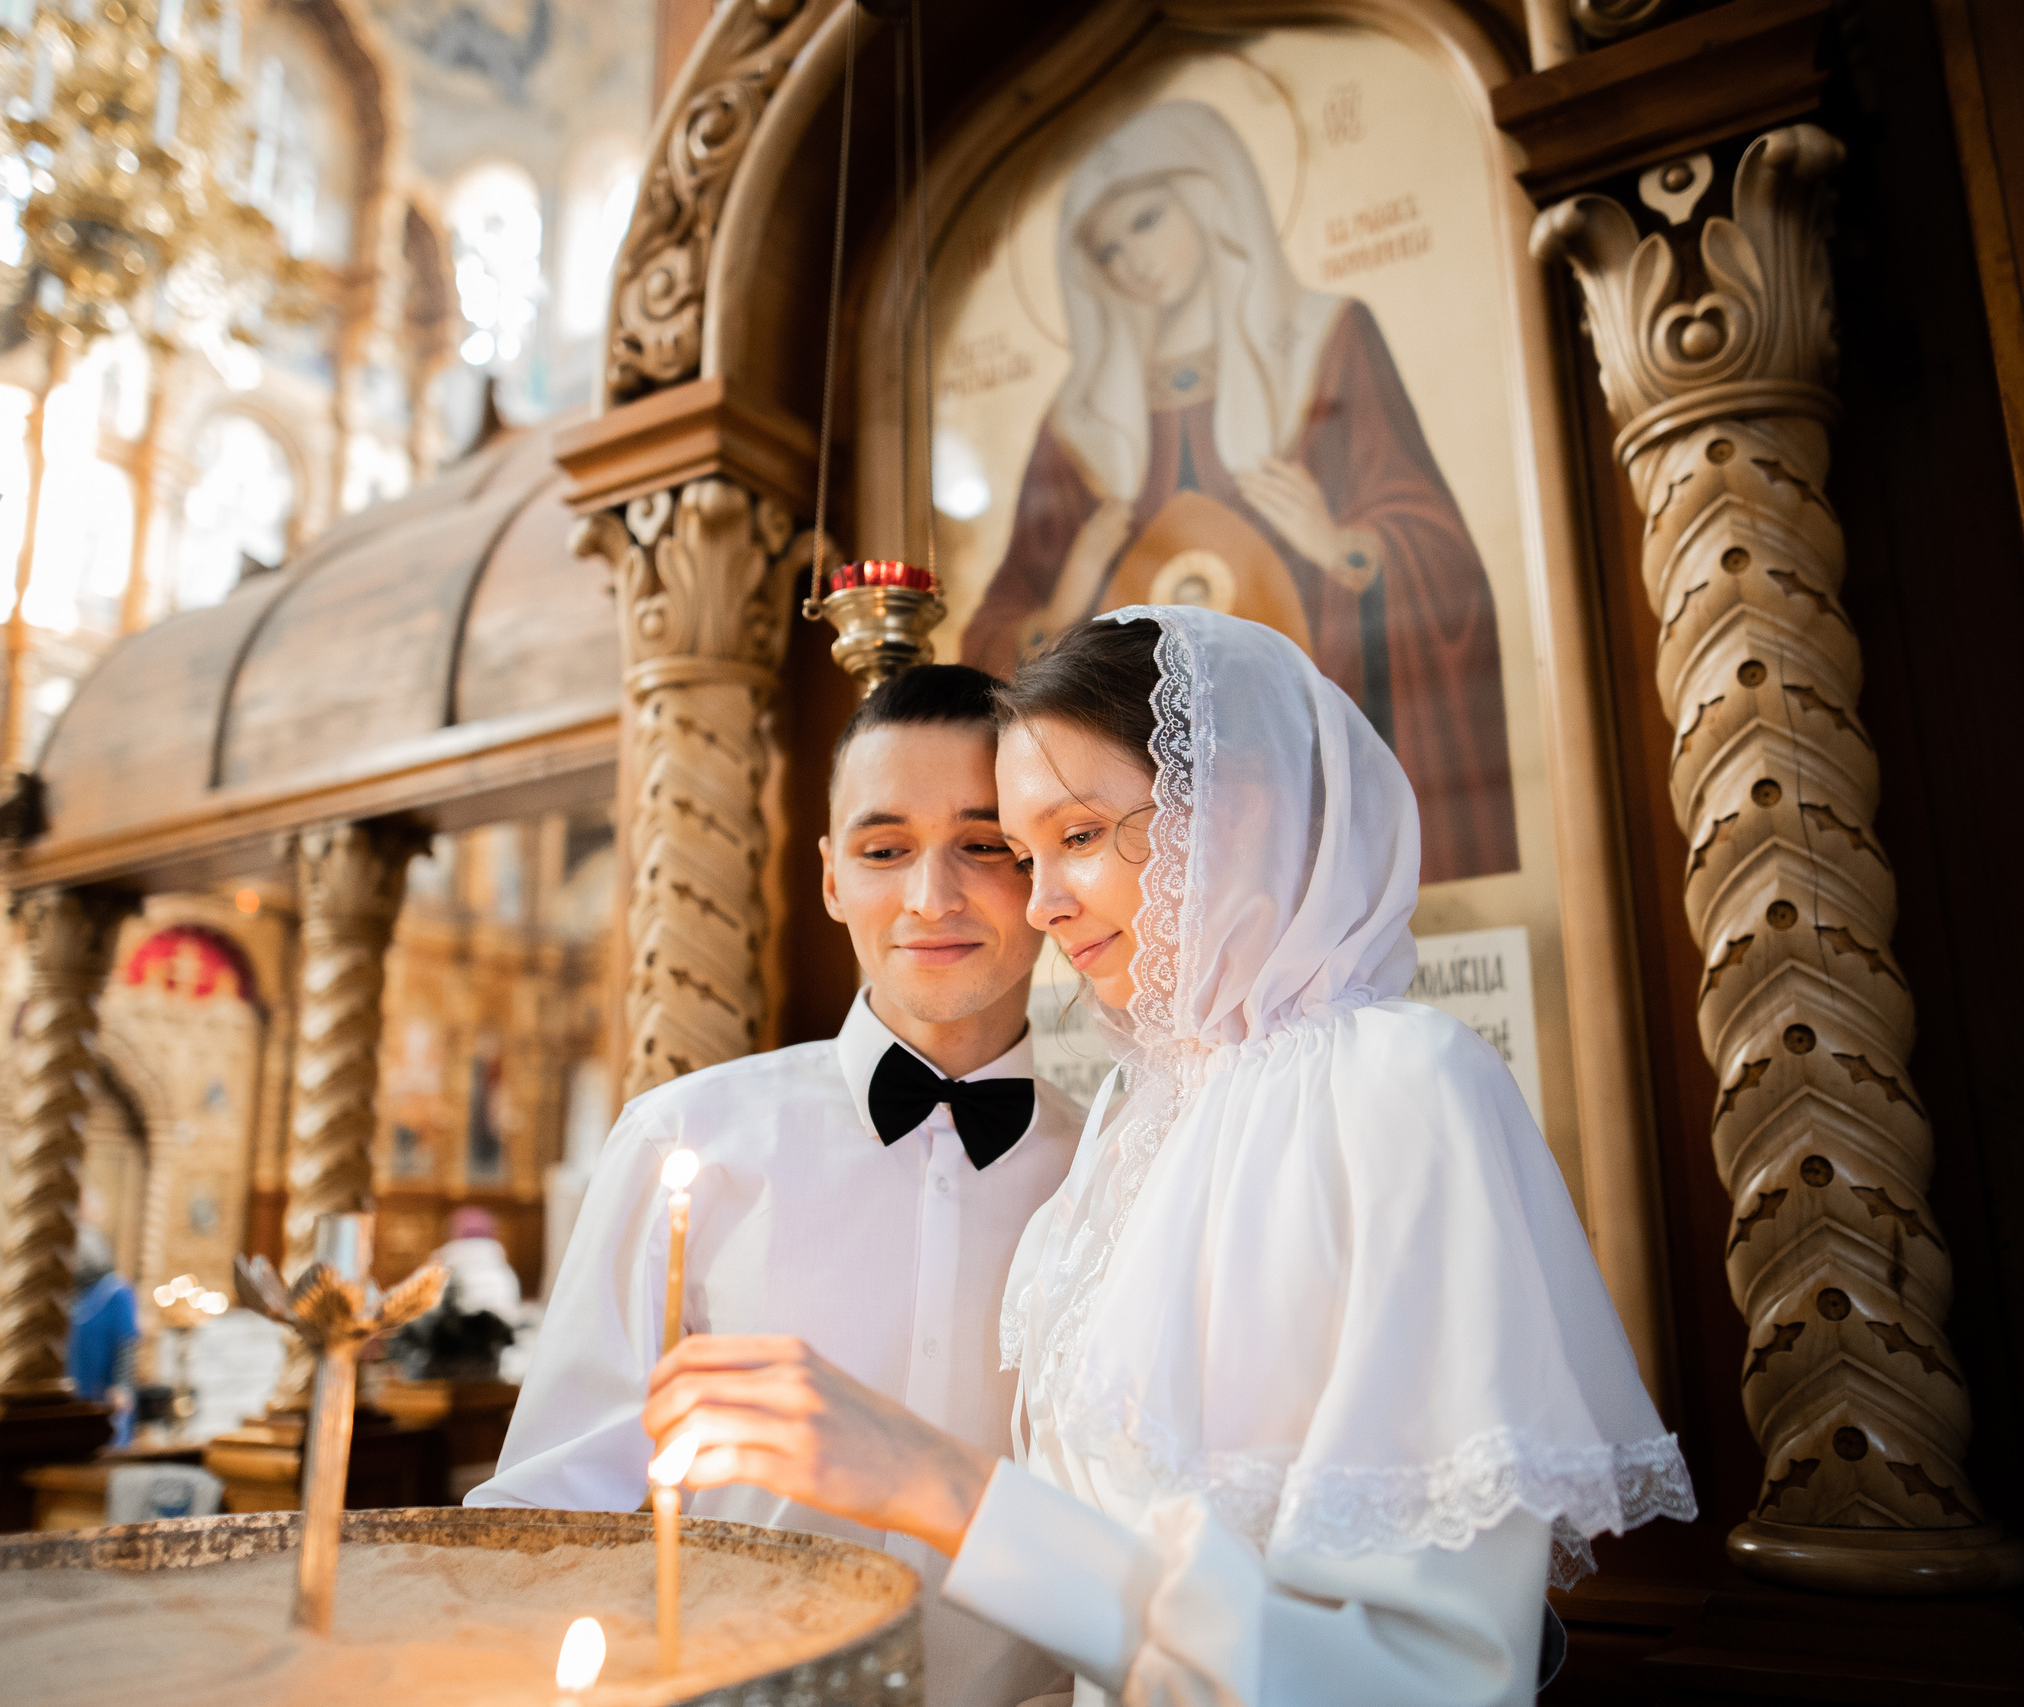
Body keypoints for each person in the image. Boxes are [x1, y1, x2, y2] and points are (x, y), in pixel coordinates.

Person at [644, 610, 1694, 1705]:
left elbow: (1433, 1675)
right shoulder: (1124, 1129)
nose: (1042, 905)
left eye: (1081, 836)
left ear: (1231, 813)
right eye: (1029, 852)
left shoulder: (1398, 1087)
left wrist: (936, 1483)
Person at [469, 664, 1086, 1707]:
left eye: (982, 846)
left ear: (1041, 869)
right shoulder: (687, 1139)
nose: (930, 897)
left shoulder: (1111, 1166)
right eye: (884, 850)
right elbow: (557, 1502)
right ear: (832, 877)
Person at [960, 100, 1519, 884]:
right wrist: (1053, 618)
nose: (1133, 261)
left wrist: (1347, 549)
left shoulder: (1326, 345)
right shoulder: (1081, 423)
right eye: (1108, 250)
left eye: (1148, 220)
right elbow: (986, 645)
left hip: (1315, 811)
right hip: (1140, 851)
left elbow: (1448, 567)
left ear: (1210, 196)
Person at [66, 1224, 140, 1449]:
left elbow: (126, 1341)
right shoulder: (75, 1294)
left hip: (105, 1390)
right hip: (76, 1384)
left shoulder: (116, 1292)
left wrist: (121, 1385)